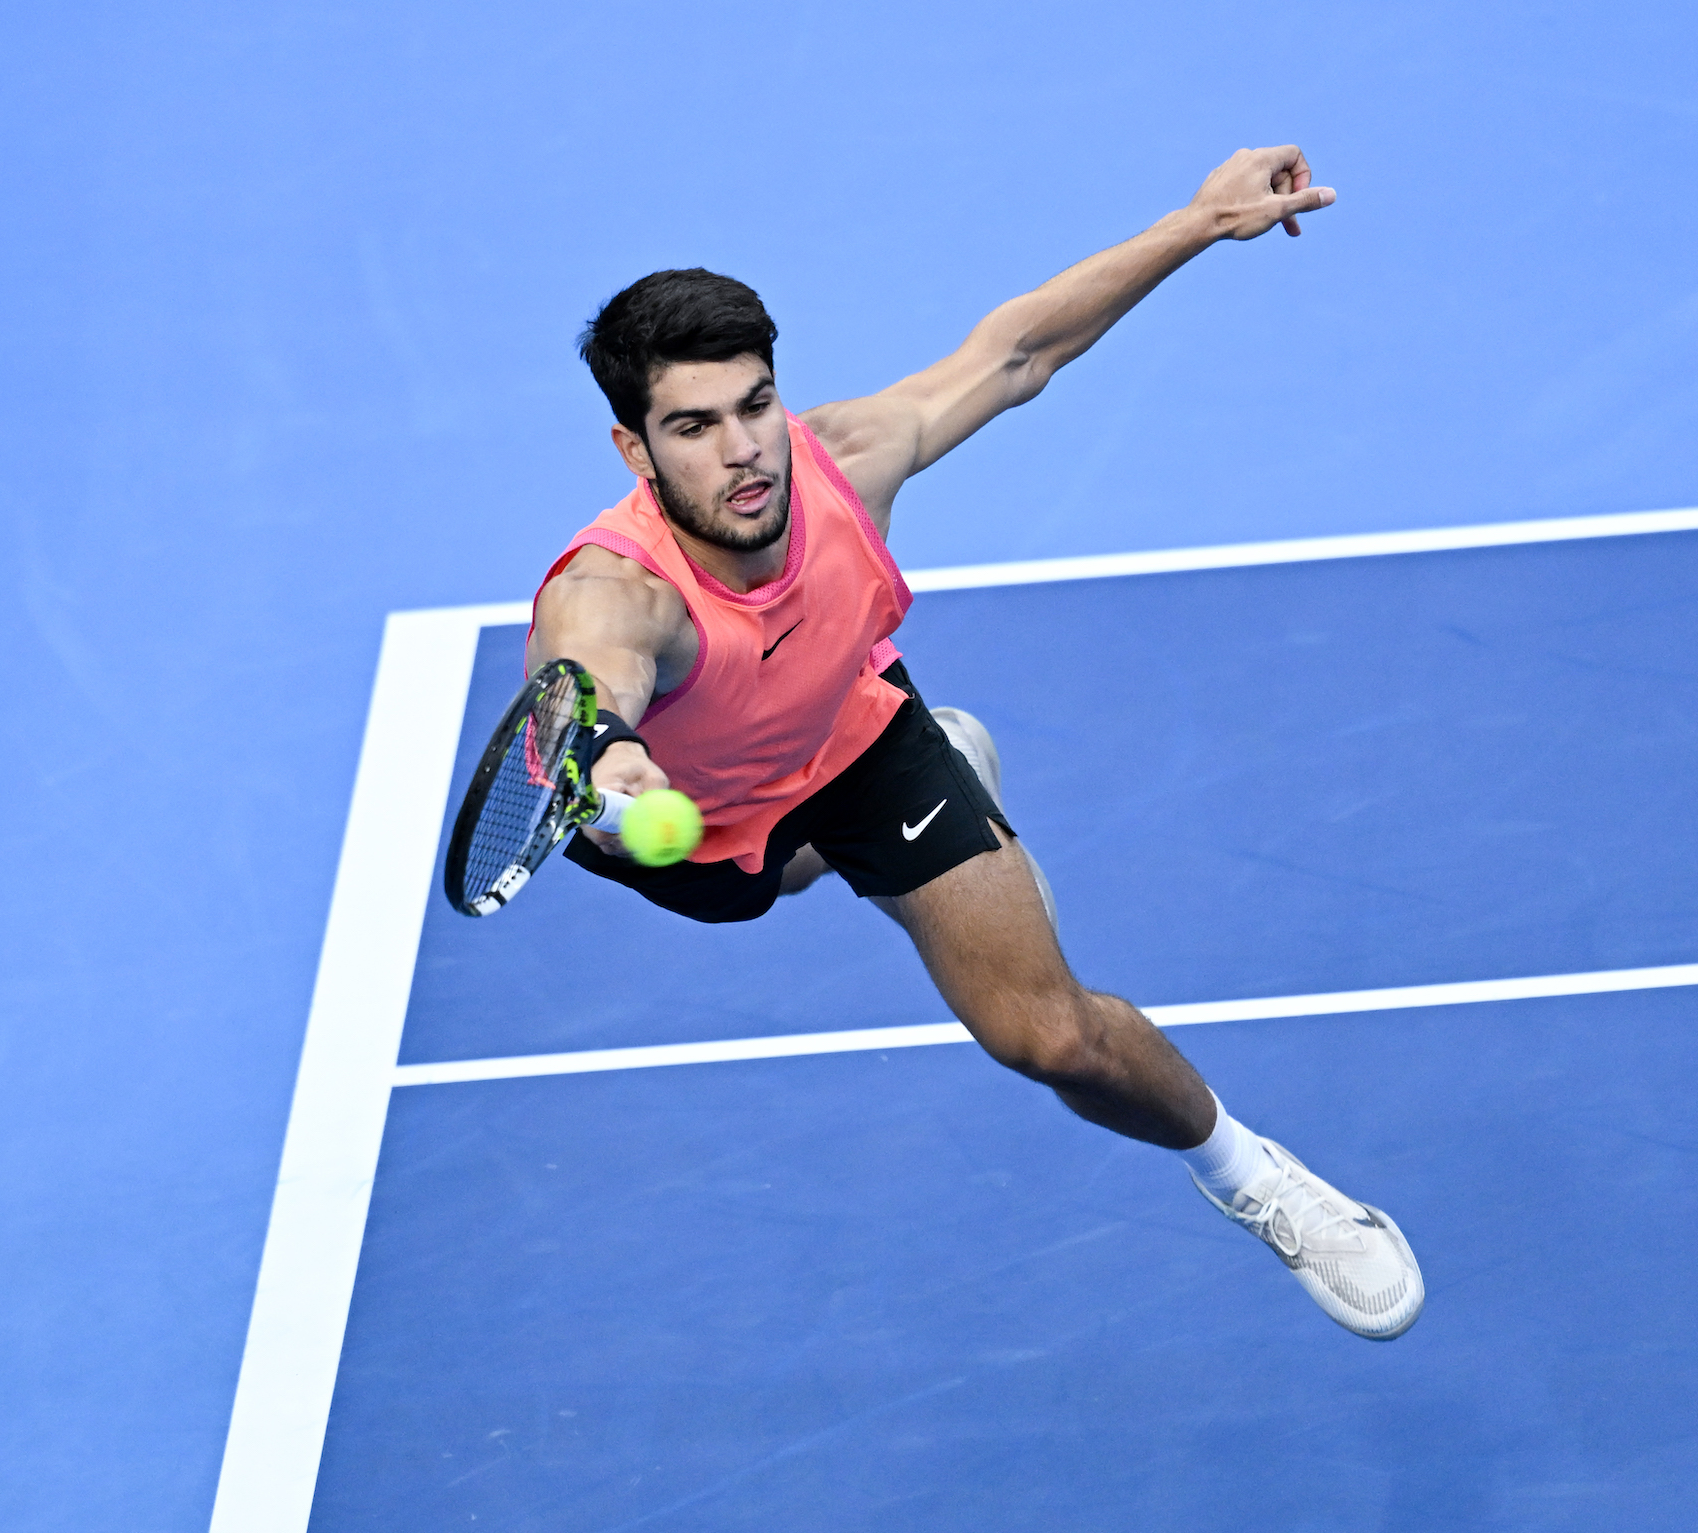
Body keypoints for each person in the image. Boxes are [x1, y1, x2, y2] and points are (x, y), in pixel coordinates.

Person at [526, 146, 1422, 1340]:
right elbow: (586, 671)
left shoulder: (843, 462)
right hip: (698, 819)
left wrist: (1198, 223)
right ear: (634, 451)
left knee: (1045, 1036)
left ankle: (1255, 1177)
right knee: (774, 874)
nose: (743, 450)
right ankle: (845, 847)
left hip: (854, 741)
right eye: (693, 426)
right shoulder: (616, 592)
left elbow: (1016, 352)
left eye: (754, 405)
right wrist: (613, 759)